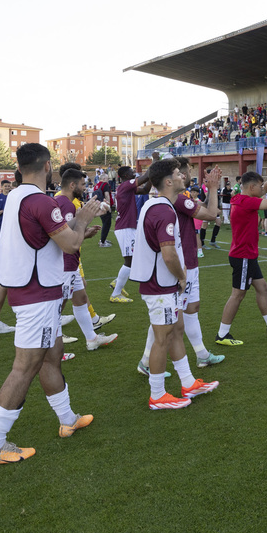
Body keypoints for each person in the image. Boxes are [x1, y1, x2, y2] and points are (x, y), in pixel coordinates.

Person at [0, 144, 107, 465]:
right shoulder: (40, 201)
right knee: (25, 367)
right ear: (48, 166)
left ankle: (67, 419)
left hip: (33, 290)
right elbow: (70, 243)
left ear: (19, 167)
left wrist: (76, 226)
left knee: (52, 357)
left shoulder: (16, 197)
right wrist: (81, 217)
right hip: (37, 294)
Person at [134, 157, 219, 410]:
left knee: (175, 329)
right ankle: (157, 395)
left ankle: (188, 382)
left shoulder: (160, 205)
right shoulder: (162, 209)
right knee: (163, 338)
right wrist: (182, 277)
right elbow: (169, 253)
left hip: (160, 283)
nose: (184, 175)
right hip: (160, 284)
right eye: (178, 174)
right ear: (168, 181)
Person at [216, 163, 267, 345]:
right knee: (238, 294)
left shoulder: (240, 198)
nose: (262, 188)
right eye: (258, 186)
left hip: (247, 255)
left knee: (262, 287)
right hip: (243, 255)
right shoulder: (247, 202)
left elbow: (262, 189)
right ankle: (222, 334)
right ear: (251, 188)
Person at [54, 169, 119, 352]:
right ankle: (52, 350)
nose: (85, 188)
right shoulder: (65, 204)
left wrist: (86, 233)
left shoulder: (63, 202)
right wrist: (83, 231)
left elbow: (70, 231)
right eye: (83, 185)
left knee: (81, 298)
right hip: (65, 262)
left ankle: (92, 339)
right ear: (72, 185)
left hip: (70, 262)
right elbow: (65, 237)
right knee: (57, 306)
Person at [109, 166, 140, 302]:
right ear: (126, 176)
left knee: (133, 259)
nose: (134, 173)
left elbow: (144, 189)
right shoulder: (126, 185)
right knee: (130, 260)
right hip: (125, 227)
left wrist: (153, 178)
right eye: (131, 172)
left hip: (128, 227)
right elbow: (143, 179)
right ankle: (115, 294)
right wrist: (155, 164)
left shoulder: (126, 187)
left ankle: (117, 282)